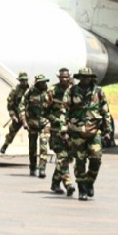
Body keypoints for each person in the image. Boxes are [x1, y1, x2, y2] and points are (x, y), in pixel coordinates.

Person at [65, 67, 113, 201]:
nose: (85, 80)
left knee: (96, 158)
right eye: (83, 77)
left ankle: (90, 181)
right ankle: (82, 188)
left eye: (88, 77)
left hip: (94, 131)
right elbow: (65, 110)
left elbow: (105, 111)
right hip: (77, 131)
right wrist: (64, 130)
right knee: (80, 161)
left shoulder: (98, 91)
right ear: (79, 78)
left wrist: (107, 130)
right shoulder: (72, 91)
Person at [47, 68, 75, 196]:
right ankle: (68, 184)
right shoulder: (53, 91)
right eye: (62, 77)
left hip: (70, 131)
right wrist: (57, 120)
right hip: (56, 131)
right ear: (59, 78)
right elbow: (45, 111)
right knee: (62, 157)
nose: (65, 79)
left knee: (66, 158)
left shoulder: (73, 91)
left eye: (66, 77)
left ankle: (55, 182)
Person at [19, 74, 52, 178]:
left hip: (45, 123)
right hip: (32, 123)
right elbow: (22, 106)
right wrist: (24, 121)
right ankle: (32, 167)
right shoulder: (30, 92)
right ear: (37, 82)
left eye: (45, 81)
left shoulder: (49, 92)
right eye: (41, 82)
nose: (43, 83)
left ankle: (42, 169)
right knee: (32, 147)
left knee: (43, 146)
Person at [0, 72, 30, 154]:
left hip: (29, 116)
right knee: (12, 132)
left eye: (25, 80)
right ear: (19, 80)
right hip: (17, 115)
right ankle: (5, 145)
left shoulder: (31, 90)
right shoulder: (15, 90)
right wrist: (13, 115)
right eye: (22, 80)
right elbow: (10, 104)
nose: (24, 82)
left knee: (33, 133)